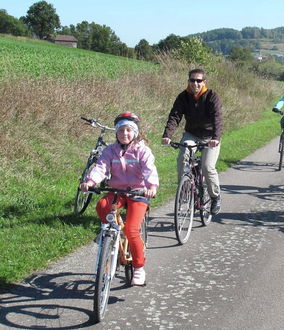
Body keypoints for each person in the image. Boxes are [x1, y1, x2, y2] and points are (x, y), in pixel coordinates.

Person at [79, 112, 159, 286]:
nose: (125, 134)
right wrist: (90, 181)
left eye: (129, 130)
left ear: (135, 133)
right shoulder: (110, 151)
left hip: (138, 193)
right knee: (102, 205)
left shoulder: (142, 151)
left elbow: (149, 170)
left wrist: (151, 187)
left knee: (131, 229)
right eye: (121, 130)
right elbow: (101, 167)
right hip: (117, 191)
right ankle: (107, 232)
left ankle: (138, 268)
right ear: (116, 133)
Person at [161, 68, 223, 215]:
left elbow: (217, 119)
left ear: (204, 82)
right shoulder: (183, 96)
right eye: (192, 80)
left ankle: (215, 197)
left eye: (198, 80)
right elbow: (175, 116)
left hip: (209, 137)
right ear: (188, 81)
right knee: (183, 157)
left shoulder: (212, 96)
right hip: (192, 134)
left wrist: (216, 137)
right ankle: (184, 191)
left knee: (207, 167)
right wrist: (167, 135)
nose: (195, 83)